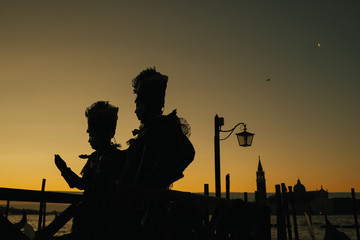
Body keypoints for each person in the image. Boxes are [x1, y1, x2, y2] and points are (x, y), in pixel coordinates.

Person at [119, 67, 195, 238]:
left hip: (149, 207)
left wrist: (158, 180)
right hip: (132, 202)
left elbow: (188, 153)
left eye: (139, 100)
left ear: (150, 101)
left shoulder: (163, 126)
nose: (136, 106)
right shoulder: (147, 130)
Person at [54, 101, 125, 240]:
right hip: (87, 219)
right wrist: (64, 168)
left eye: (92, 134)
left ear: (104, 133)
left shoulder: (118, 159)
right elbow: (82, 184)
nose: (89, 140)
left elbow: (90, 186)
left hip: (104, 222)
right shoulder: (94, 158)